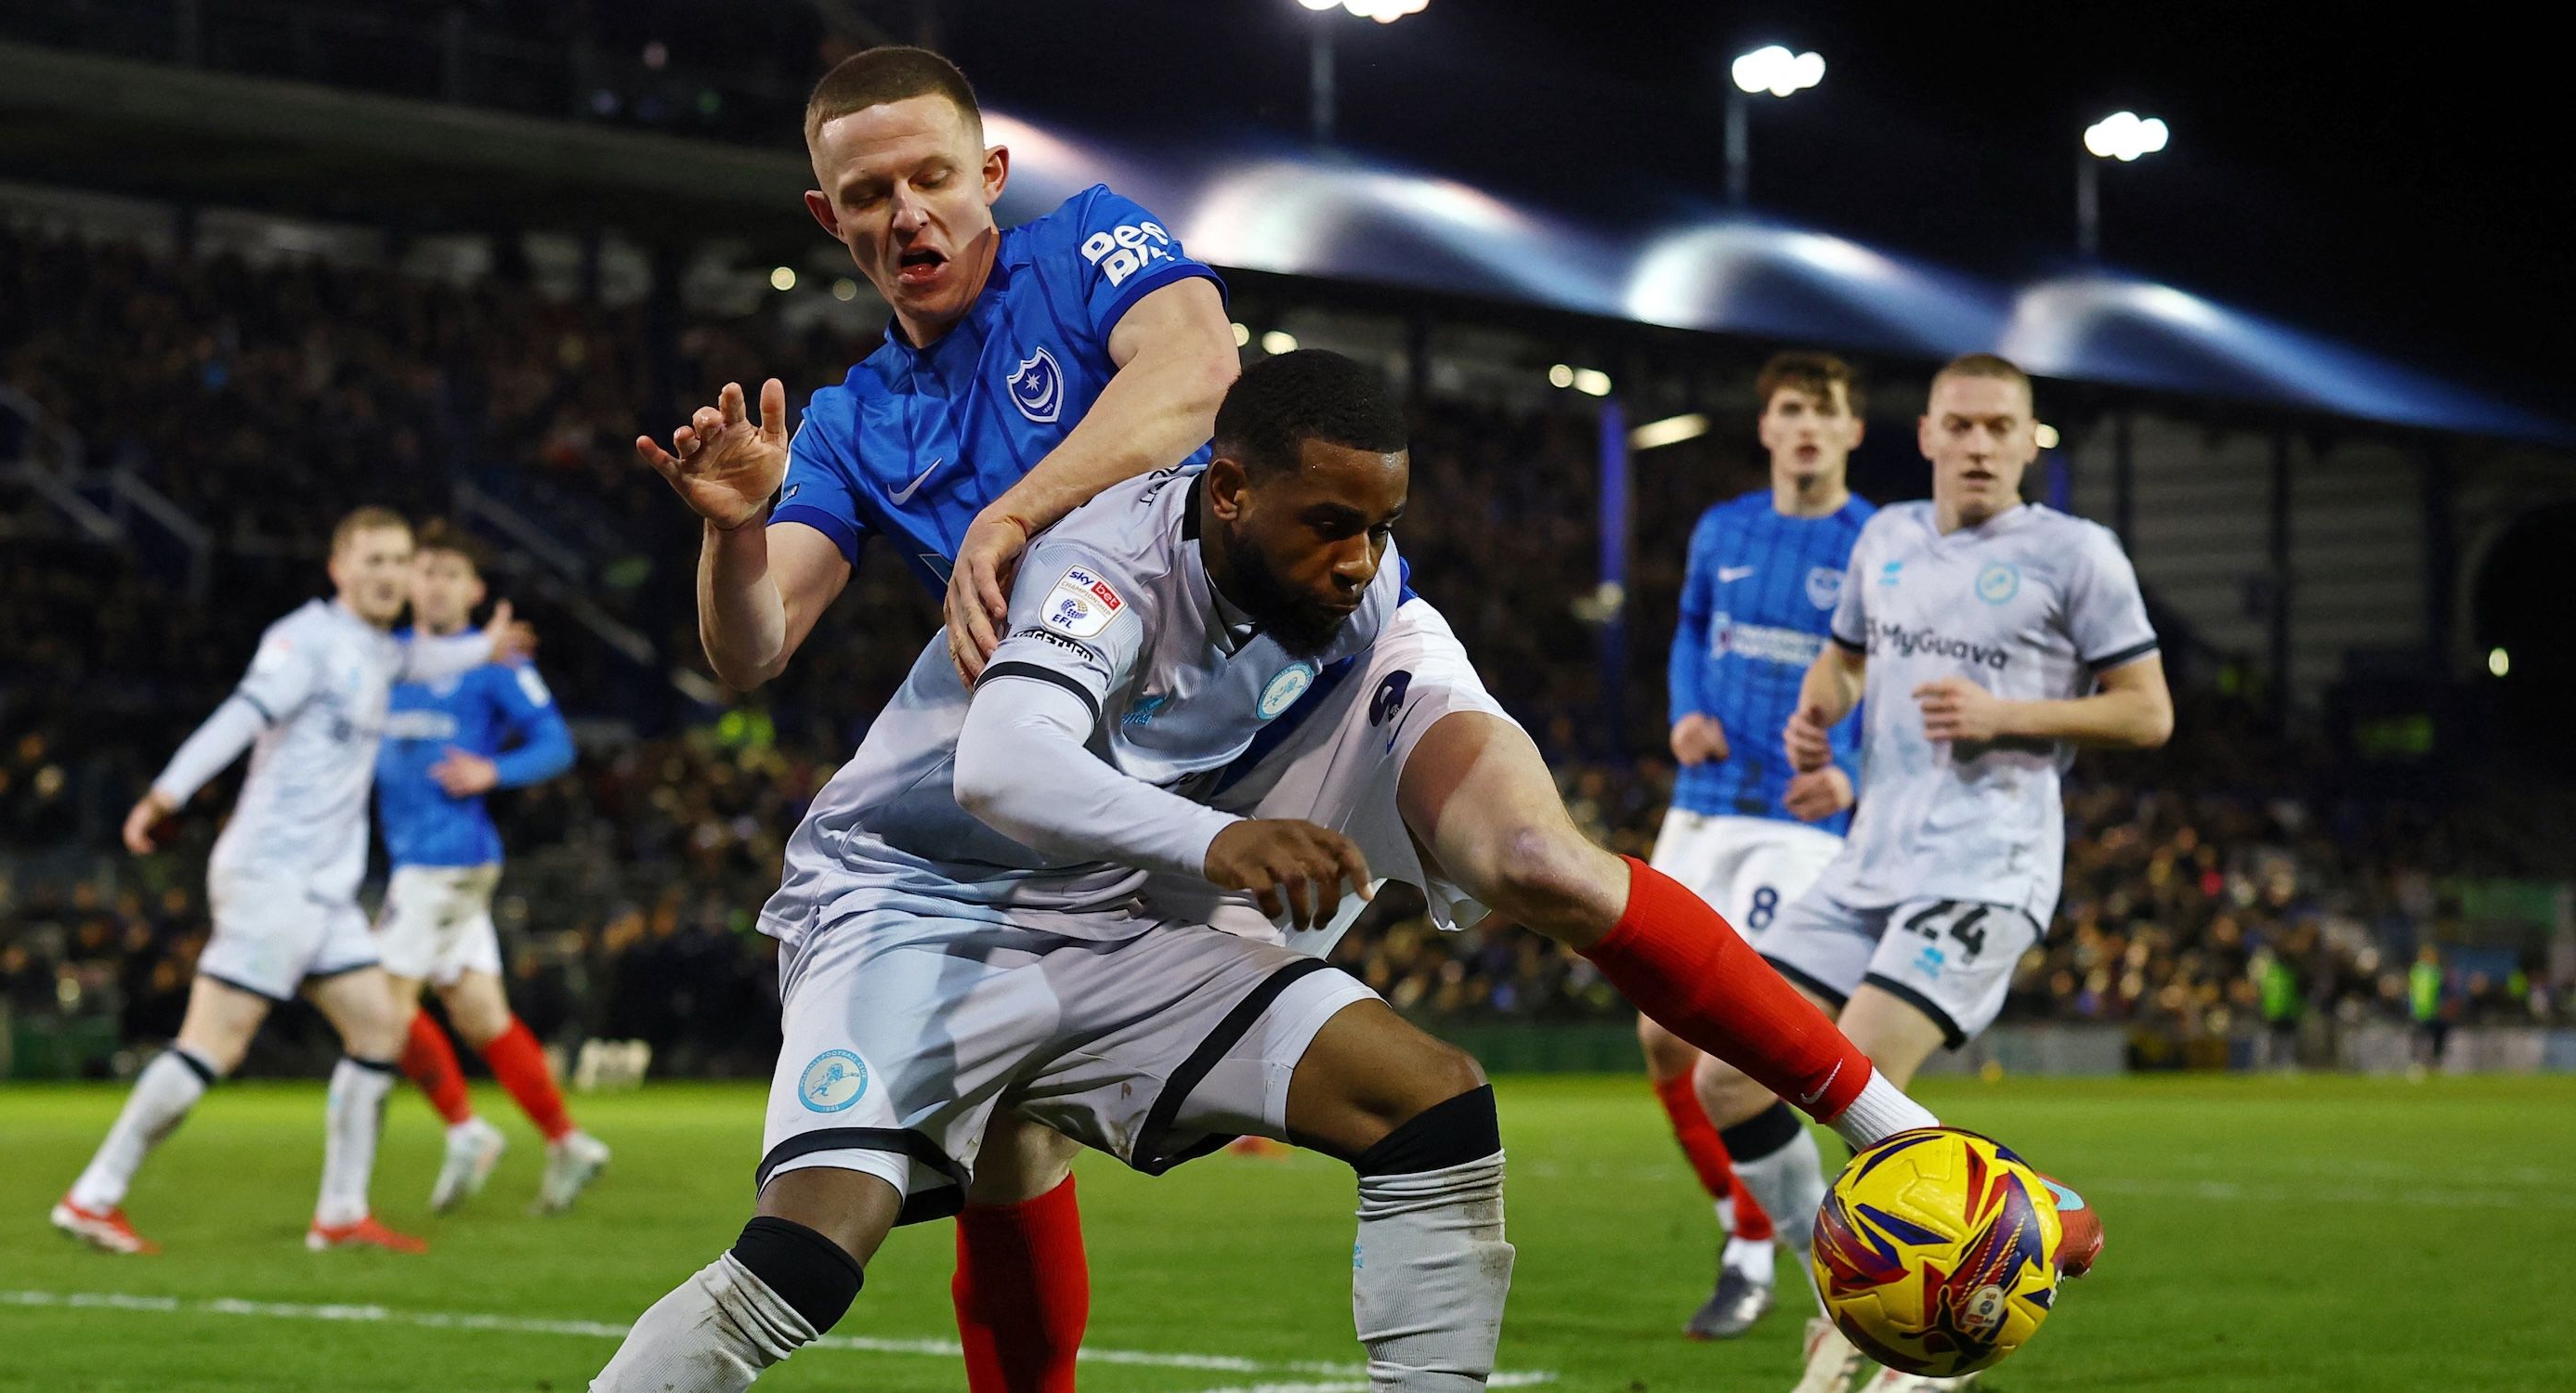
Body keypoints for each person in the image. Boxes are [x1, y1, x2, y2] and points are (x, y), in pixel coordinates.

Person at [641, 46, 1984, 1393]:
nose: (906, 213)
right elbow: (754, 649)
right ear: (829, 218)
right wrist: (734, 536)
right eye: (868, 193)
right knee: (1011, 1145)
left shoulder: (1086, 245)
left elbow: (1196, 367)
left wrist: (1013, 513)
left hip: (1326, 649)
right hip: (1149, 743)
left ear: (989, 175)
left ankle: (1899, 1129)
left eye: (932, 176)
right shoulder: (851, 420)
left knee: (1535, 861)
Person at [595, 349, 1535, 1391]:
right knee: (803, 1263)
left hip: (1102, 909)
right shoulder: (1102, 564)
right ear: (1228, 491)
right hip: (913, 897)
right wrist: (1216, 844)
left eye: (1382, 526)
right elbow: (1000, 766)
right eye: (1329, 523)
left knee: (1432, 1104)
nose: (1360, 559)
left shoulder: (1355, 596)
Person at [1693, 353, 2164, 1393]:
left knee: (1854, 1078)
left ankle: (1947, 1314)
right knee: (1723, 1073)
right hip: (1869, 862)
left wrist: (2012, 716)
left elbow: (2147, 710)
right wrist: (1819, 711)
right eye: (1963, 425)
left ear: (2030, 440)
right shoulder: (1886, 536)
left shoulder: (2076, 555)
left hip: (1984, 867)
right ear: (1927, 435)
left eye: (2005, 428)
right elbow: (1849, 657)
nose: (1983, 445)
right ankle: (1893, 1285)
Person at [51, 507, 528, 1256]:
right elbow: (238, 718)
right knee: (213, 1046)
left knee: (380, 1028)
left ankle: (340, 1214)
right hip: (272, 879)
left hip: (325, 894)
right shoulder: (306, 642)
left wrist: (484, 647)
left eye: (398, 562)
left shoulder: (381, 652)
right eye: (370, 560)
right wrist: (166, 795)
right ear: (338, 570)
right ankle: (94, 1195)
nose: (387, 575)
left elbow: (431, 663)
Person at [1642, 350, 1877, 1339]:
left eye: (1827, 412)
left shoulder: (1876, 543)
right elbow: (1692, 630)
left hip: (1800, 822)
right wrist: (1686, 710)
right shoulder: (1723, 529)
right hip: (1704, 801)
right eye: (1792, 410)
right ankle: (1746, 1238)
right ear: (1769, 427)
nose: (1810, 427)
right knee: (1661, 1041)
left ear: (1855, 432)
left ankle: (1834, 1265)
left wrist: (1854, 771)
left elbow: (1889, 678)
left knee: (1749, 1046)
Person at [371, 520, 610, 1216]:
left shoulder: (494, 663)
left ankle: (464, 1129)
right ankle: (568, 1141)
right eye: (426, 569)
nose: (435, 583)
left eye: (451, 572)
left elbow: (557, 743)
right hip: (419, 860)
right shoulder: (392, 658)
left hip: (444, 861)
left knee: (378, 1008)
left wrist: (491, 769)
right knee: (480, 1016)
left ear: (475, 589)